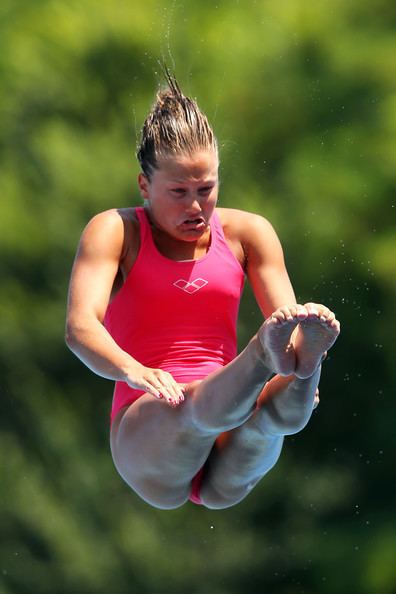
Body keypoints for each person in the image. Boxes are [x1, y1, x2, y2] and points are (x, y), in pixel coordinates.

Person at [65, 73, 340, 510]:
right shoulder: (117, 231)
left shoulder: (248, 232)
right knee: (196, 407)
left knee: (273, 417)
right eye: (178, 192)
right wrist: (133, 370)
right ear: (144, 186)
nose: (195, 206)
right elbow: (80, 327)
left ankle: (303, 375)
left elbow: (289, 321)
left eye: (206, 189)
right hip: (149, 423)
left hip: (230, 412)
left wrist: (295, 355)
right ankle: (261, 359)